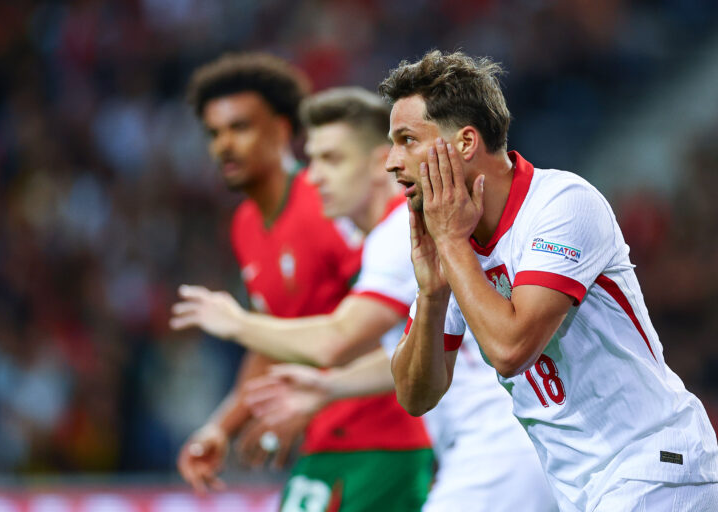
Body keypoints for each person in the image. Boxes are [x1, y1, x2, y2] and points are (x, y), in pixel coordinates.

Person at [172, 86, 557, 511]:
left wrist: (235, 322)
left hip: (493, 447)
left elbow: (338, 338)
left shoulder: (399, 234)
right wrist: (330, 387)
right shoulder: (392, 235)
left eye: (331, 159)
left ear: (379, 164)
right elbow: (406, 354)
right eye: (313, 159)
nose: (313, 176)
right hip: (485, 447)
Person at [381, 50, 718, 511]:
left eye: (407, 140)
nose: (392, 163)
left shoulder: (561, 205)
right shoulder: (453, 244)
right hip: (579, 487)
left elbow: (511, 351)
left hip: (655, 466)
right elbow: (415, 395)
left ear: (464, 143)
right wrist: (433, 293)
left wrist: (454, 248)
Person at [174, 54, 432, 512]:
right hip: (323, 433)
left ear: (280, 129)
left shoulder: (333, 209)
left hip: (383, 433)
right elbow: (272, 338)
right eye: (214, 134)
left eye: (240, 128)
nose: (224, 146)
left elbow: (379, 324)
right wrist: (222, 425)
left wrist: (237, 326)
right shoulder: (247, 226)